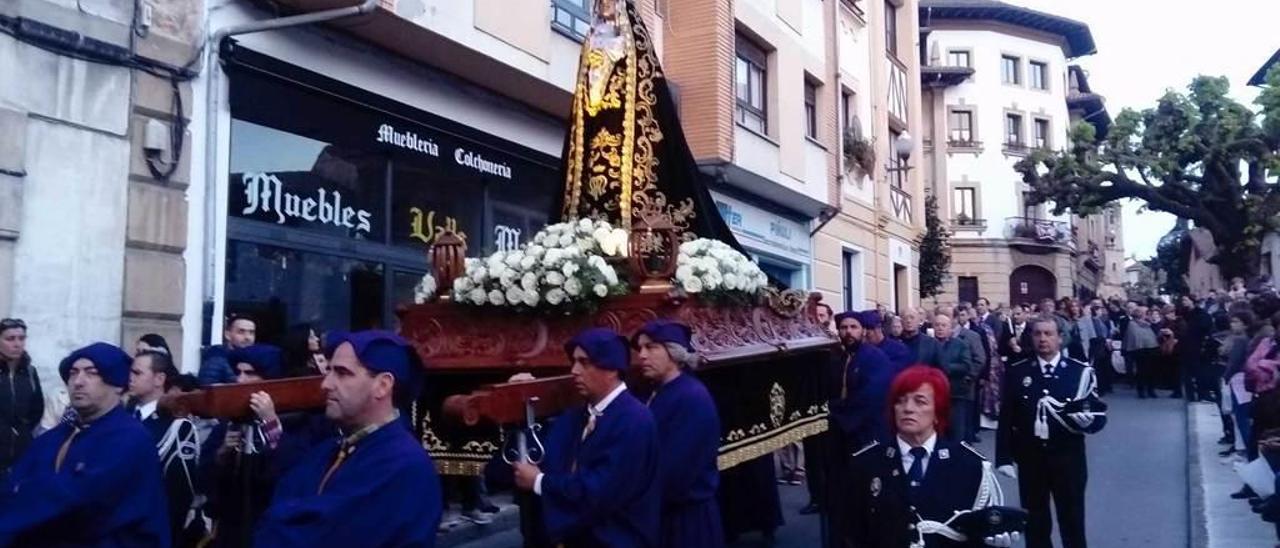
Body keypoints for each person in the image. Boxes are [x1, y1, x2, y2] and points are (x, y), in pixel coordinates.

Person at [254, 331, 443, 546]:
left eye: (342, 373)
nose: (326, 384)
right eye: (329, 371)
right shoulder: (336, 446)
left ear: (382, 385)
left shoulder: (402, 464)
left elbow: (314, 537)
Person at [0, 342, 170, 546]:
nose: (77, 382)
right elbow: (12, 484)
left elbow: (77, 497)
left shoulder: (130, 438)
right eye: (73, 373)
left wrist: (23, 495)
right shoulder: (54, 438)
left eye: (91, 373)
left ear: (117, 385)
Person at [841, 365, 1017, 548]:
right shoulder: (867, 463)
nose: (907, 408)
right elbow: (850, 532)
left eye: (920, 401)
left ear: (937, 411)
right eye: (900, 401)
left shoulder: (969, 465)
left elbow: (980, 532)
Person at [512, 328, 659, 547]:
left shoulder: (633, 419)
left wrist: (539, 482)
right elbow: (545, 452)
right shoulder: (581, 413)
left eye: (584, 362)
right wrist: (521, 400)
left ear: (611, 369)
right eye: (573, 362)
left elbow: (600, 489)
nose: (574, 370)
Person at [996, 318, 1107, 548]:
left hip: (1068, 459)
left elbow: (1096, 414)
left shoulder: (1079, 372)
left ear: (1060, 338)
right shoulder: (1018, 372)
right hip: (1031, 459)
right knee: (1035, 521)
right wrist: (1003, 457)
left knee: (1072, 519)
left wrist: (1088, 424)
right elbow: (1006, 418)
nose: (1043, 339)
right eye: (1037, 334)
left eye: (1048, 334)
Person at [632, 320, 723, 548]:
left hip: (686, 524)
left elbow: (674, 472)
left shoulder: (691, 397)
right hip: (662, 515)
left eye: (651, 347)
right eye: (640, 348)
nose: (641, 355)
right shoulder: (657, 390)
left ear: (674, 353)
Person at [203, 344, 286, 547]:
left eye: (249, 374)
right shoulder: (228, 423)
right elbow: (204, 480)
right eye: (238, 372)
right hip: (231, 531)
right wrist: (222, 455)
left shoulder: (294, 420)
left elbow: (289, 474)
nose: (240, 380)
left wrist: (270, 423)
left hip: (268, 530)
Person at [128, 350, 205, 545]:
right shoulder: (124, 416)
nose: (130, 378)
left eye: (137, 373)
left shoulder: (177, 426)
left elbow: (180, 491)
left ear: (159, 378)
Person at [829, 311, 902, 450]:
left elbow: (870, 397)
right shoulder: (840, 358)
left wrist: (837, 413)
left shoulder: (874, 357)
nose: (848, 332)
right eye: (844, 328)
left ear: (863, 331)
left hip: (868, 431)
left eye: (853, 327)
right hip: (843, 433)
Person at [0, 318, 41, 477]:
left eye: (21, 338)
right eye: (10, 339)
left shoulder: (30, 372)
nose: (17, 344)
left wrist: (21, 432)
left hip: (20, 455)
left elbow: (36, 409)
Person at [935, 315, 980, 443]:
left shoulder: (960, 344)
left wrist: (946, 367)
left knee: (956, 433)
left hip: (956, 394)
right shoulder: (929, 344)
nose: (940, 328)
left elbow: (966, 365)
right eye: (937, 325)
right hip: (934, 395)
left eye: (943, 325)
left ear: (950, 328)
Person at [199, 314, 257, 386]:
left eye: (251, 333)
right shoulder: (216, 357)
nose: (247, 337)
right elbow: (210, 389)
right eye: (241, 332)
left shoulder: (254, 358)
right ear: (227, 335)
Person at [1124, 306, 1160, 398]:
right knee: (1141, 371)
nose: (1147, 315)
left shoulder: (1149, 324)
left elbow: (1154, 335)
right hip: (1140, 350)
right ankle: (1141, 390)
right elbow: (1134, 337)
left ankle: (1151, 389)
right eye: (1145, 313)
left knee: (1152, 371)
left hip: (1152, 348)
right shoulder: (1132, 324)